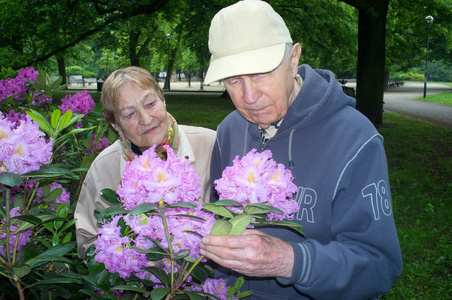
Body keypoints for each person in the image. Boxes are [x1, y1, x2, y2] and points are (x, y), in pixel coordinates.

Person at [198, 0, 402, 299]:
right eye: (233, 79)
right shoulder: (229, 129)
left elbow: (379, 267)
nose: (249, 96)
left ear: (294, 58)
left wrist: (289, 261)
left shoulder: (356, 139)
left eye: (260, 73)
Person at [75, 66, 216, 259]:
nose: (146, 119)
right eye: (129, 114)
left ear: (163, 100)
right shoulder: (102, 169)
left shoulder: (211, 145)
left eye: (150, 103)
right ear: (116, 125)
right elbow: (88, 241)